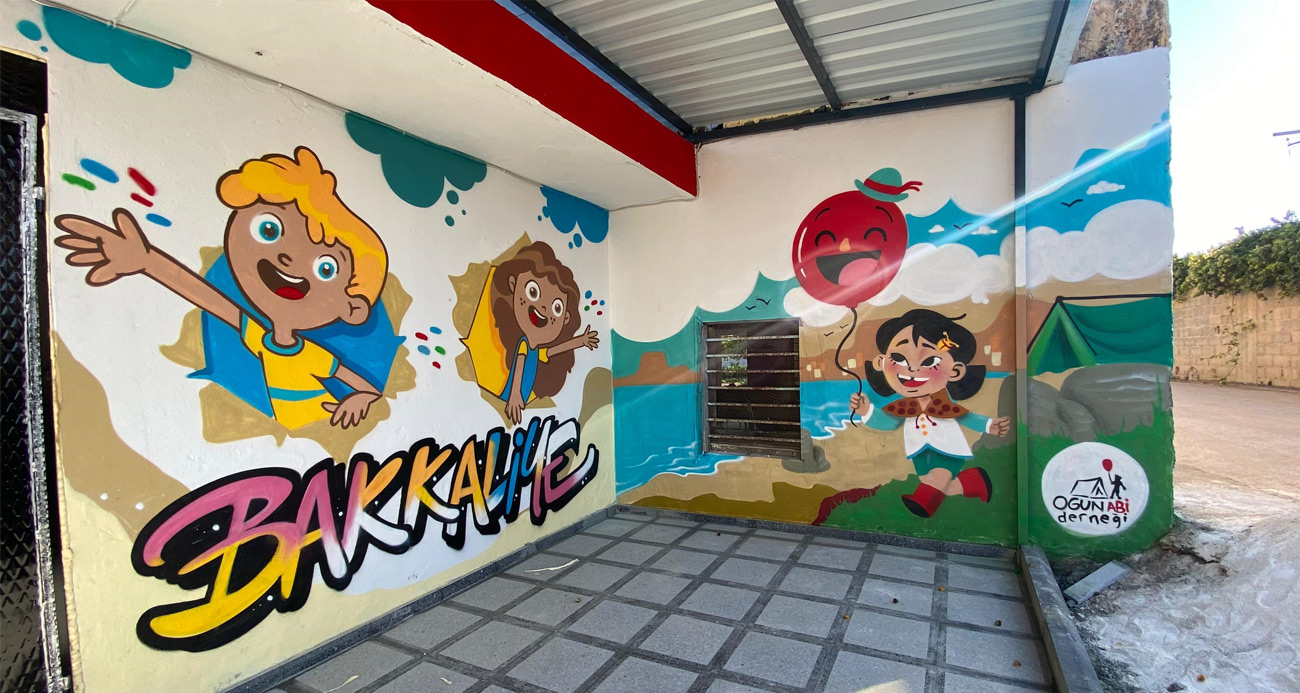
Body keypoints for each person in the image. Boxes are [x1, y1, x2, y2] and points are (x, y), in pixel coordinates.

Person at [53, 147, 387, 429]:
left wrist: (359, 399)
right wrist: (148, 260)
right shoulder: (261, 337)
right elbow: (208, 299)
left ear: (352, 308)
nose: (287, 258)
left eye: (325, 268)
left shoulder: (313, 355)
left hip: (318, 427)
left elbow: (367, 388)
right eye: (269, 230)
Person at [850, 309, 1010, 518]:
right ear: (881, 362)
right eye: (899, 359)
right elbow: (889, 422)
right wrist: (866, 411)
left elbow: (964, 415)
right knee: (935, 482)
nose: (912, 369)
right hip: (918, 449)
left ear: (955, 371)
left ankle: (923, 504)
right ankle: (974, 481)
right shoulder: (903, 406)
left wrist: (989, 425)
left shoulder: (944, 402)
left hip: (947, 447)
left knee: (937, 479)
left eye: (929, 362)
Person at [489, 242, 599, 424]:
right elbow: (519, 365)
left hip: (520, 399)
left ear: (565, 318)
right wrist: (514, 395)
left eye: (557, 307)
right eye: (532, 291)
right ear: (513, 285)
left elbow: (555, 350)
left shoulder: (536, 350)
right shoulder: (523, 344)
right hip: (512, 398)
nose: (543, 308)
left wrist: (581, 341)